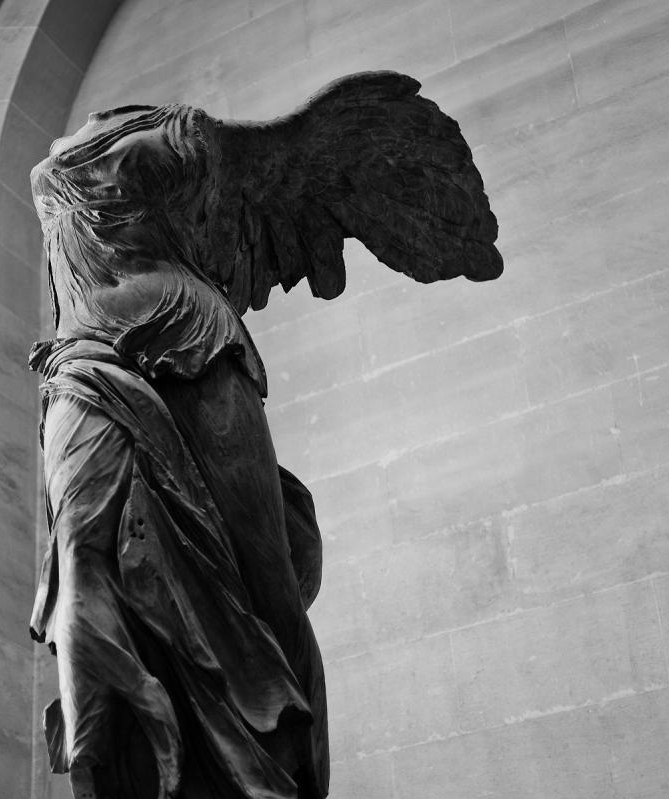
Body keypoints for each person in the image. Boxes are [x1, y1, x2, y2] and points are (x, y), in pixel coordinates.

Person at [28, 73, 501, 799]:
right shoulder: (67, 153)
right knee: (90, 581)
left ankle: (294, 780)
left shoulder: (198, 137)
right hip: (83, 367)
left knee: (267, 598)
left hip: (194, 351)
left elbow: (320, 154)